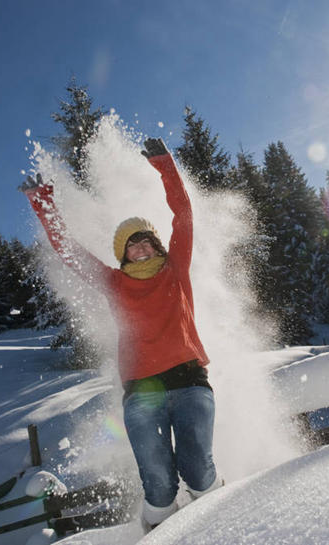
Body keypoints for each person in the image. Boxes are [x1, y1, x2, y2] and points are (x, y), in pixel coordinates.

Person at [21, 138, 221, 531]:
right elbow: (69, 251)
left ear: (157, 244)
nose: (141, 248)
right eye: (132, 245)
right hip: (141, 393)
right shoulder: (114, 283)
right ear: (122, 254)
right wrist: (42, 201)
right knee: (160, 486)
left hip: (190, 383)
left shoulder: (175, 270)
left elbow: (183, 214)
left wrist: (164, 164)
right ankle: (158, 533)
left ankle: (223, 522)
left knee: (198, 471)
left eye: (146, 240)